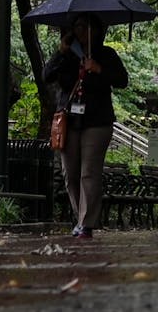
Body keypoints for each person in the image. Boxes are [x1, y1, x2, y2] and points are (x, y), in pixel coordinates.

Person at [42, 13, 129, 240]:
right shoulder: (67, 55)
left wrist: (98, 69)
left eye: (84, 26)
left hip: (97, 121)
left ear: (95, 30)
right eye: (76, 26)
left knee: (89, 173)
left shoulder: (106, 54)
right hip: (70, 120)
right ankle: (80, 216)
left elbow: (122, 80)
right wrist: (61, 52)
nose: (79, 31)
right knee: (70, 174)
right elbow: (46, 76)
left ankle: (86, 224)